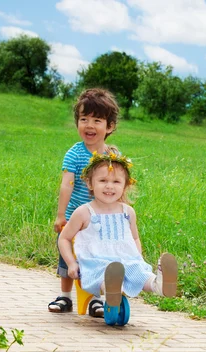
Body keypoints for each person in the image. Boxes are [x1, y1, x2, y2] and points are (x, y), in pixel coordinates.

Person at [58, 153, 178, 324]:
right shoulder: (84, 212)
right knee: (104, 272)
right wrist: (71, 262)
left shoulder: (127, 212)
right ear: (89, 183)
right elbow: (64, 238)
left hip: (126, 259)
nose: (109, 187)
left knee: (138, 271)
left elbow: (135, 238)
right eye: (103, 181)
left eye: (116, 182)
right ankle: (111, 288)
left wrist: (138, 257)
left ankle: (159, 285)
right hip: (95, 261)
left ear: (125, 186)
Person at [48, 88, 121, 316]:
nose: (89, 125)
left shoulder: (112, 156)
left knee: (99, 258)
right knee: (67, 255)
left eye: (97, 120)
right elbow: (66, 185)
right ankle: (65, 296)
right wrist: (61, 216)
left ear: (109, 127)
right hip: (74, 218)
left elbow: (119, 185)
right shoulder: (75, 154)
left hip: (101, 220)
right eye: (84, 119)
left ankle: (96, 299)